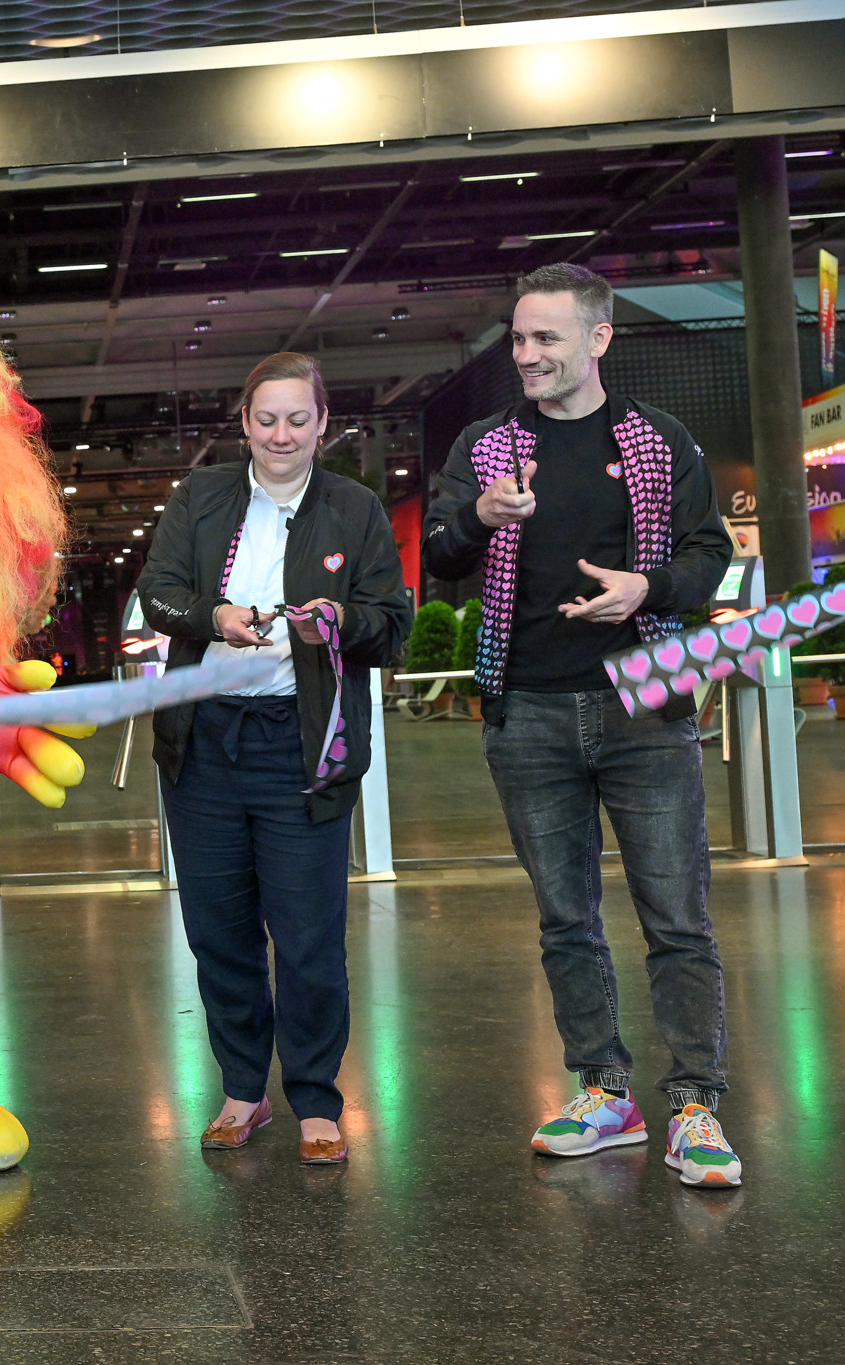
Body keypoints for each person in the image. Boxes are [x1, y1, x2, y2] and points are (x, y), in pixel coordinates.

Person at [423, 263, 740, 1188]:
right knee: (566, 918)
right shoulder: (485, 448)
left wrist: (651, 589)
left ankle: (695, 1104)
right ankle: (606, 1092)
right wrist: (483, 514)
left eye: (546, 338)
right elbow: (442, 554)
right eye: (518, 339)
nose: (526, 355)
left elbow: (707, 550)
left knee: (677, 915)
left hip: (645, 699)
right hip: (526, 710)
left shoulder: (657, 439)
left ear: (597, 339)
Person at [138, 352, 411, 1164]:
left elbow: (390, 622)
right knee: (218, 932)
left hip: (303, 746)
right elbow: (157, 592)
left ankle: (318, 1101)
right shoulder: (202, 496)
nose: (281, 433)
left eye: (298, 418)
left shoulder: (355, 510)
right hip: (205, 746)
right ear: (245, 424)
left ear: (323, 423)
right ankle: (243, 1091)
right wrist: (210, 614)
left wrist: (335, 622)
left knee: (307, 936)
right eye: (266, 418)